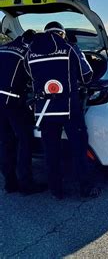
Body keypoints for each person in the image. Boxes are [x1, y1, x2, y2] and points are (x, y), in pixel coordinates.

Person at [25, 21, 100, 200]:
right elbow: (87, 75)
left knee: (51, 152)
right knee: (78, 149)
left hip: (44, 110)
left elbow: (30, 76)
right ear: (62, 34)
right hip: (69, 109)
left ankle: (56, 191)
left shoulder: (30, 51)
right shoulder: (70, 48)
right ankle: (86, 189)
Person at [0, 30, 47, 195]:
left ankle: (10, 183)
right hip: (13, 102)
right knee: (24, 141)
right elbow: (37, 78)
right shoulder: (27, 53)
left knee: (5, 142)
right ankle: (26, 184)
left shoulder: (3, 48)